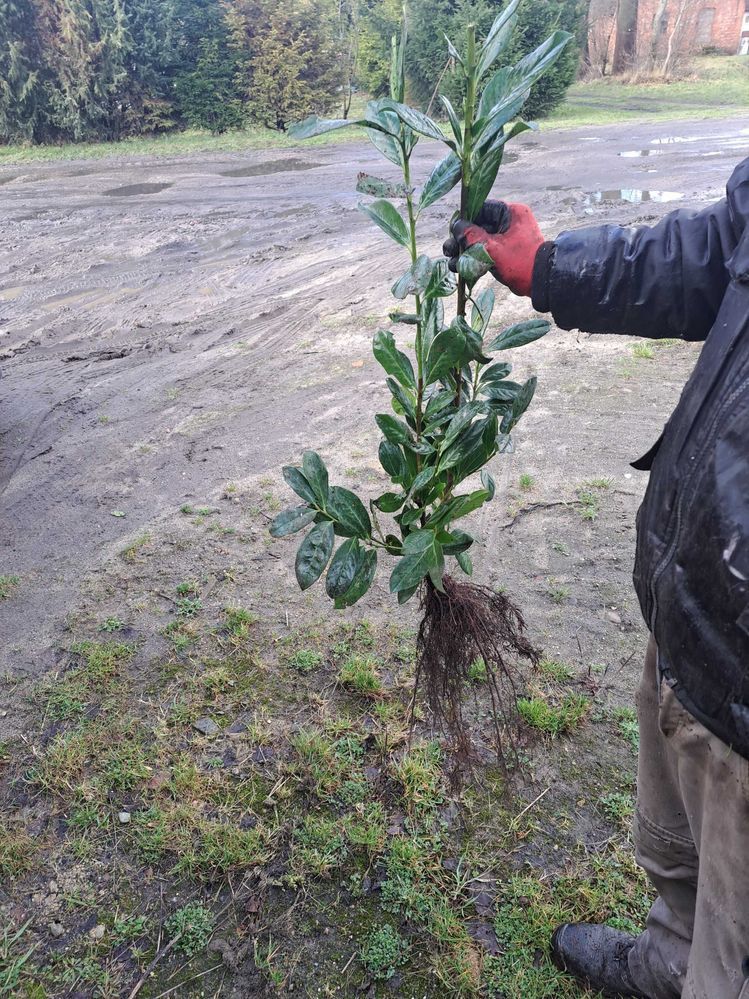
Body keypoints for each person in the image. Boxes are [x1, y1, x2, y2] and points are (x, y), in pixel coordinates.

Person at [443, 157, 749, 999]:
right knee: (678, 847)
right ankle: (665, 958)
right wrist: (548, 268)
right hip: (694, 599)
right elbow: (720, 254)